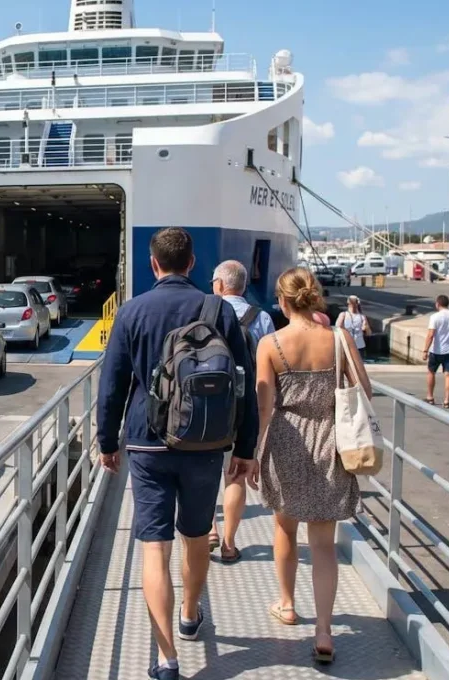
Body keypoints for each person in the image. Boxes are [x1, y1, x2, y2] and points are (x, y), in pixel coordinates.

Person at [96, 228, 259, 680]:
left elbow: (112, 386)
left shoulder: (132, 311)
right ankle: (190, 614)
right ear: (191, 264)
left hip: (147, 442)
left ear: (154, 265)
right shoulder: (219, 311)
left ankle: (166, 659)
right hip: (206, 442)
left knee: (154, 546)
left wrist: (107, 442)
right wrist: (245, 447)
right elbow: (242, 382)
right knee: (195, 534)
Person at [254, 266, 370, 665]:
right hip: (332, 441)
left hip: (287, 440)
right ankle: (324, 630)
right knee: (323, 542)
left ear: (282, 301)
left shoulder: (270, 343)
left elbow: (265, 406)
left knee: (285, 528)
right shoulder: (339, 338)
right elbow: (363, 391)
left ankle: (286, 604)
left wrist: (254, 454)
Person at [207, 259, 275, 564]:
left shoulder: (204, 313)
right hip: (244, 408)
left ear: (220, 285)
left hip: (208, 407)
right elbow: (267, 375)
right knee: (235, 476)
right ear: (243, 285)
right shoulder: (261, 319)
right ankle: (230, 544)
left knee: (205, 470)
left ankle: (210, 527)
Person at [422, 295, 449, 408]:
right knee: (448, 375)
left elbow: (431, 335)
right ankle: (446, 401)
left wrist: (425, 350)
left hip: (436, 350)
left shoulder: (435, 317)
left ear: (437, 304)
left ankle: (430, 397)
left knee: (431, 372)